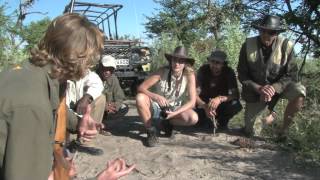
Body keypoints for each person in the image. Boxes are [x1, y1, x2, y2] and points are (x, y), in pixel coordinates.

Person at [0, 13, 134, 180]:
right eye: (90, 59)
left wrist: (78, 123)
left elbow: (56, 108)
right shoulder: (33, 107)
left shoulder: (25, 72)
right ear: (77, 57)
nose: (90, 65)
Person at [237, 14, 306, 139]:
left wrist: (274, 87)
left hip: (281, 87)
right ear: (259, 30)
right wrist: (258, 88)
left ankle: (283, 132)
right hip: (258, 91)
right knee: (251, 131)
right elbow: (242, 73)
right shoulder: (247, 45)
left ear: (277, 33)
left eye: (271, 32)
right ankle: (272, 114)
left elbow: (291, 74)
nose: (266, 35)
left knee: (299, 92)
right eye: (263, 30)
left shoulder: (286, 46)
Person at [136, 46, 198, 147]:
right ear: (171, 60)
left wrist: (174, 113)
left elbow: (192, 101)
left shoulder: (190, 75)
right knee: (140, 98)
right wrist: (155, 96)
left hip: (175, 108)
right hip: (157, 106)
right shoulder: (162, 71)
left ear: (185, 63)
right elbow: (141, 88)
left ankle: (167, 123)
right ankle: (150, 131)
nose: (177, 64)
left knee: (193, 118)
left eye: (181, 61)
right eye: (174, 60)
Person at [196, 50, 242, 131]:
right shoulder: (203, 70)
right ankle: (204, 121)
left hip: (221, 105)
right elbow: (195, 94)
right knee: (199, 120)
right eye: (212, 61)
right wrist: (205, 106)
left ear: (223, 64)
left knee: (236, 104)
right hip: (204, 104)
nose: (214, 65)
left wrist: (220, 99)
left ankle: (222, 123)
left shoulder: (229, 72)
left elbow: (235, 95)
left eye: (217, 62)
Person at [66, 70, 106, 155]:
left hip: (75, 109)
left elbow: (97, 83)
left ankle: (83, 142)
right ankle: (65, 143)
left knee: (101, 98)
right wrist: (81, 122)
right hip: (62, 112)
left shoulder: (82, 71)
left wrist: (87, 97)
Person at [96, 55, 129, 122]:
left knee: (124, 107)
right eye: (105, 68)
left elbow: (119, 97)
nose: (107, 72)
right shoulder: (93, 77)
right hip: (96, 108)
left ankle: (104, 125)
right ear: (100, 67)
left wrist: (115, 106)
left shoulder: (113, 79)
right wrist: (104, 106)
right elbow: (91, 100)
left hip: (108, 108)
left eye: (110, 69)